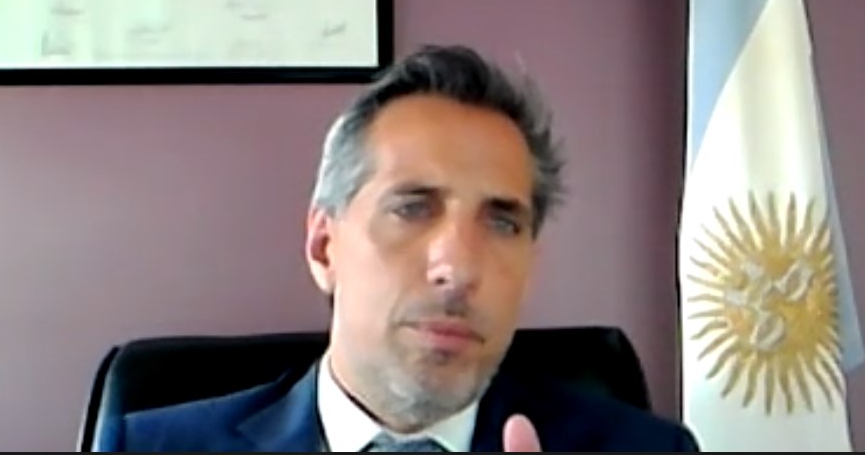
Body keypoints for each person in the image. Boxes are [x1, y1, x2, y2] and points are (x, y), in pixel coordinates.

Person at [111, 46, 701, 452]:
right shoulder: (150, 448)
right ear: (324, 247)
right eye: (413, 208)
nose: (458, 267)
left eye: (502, 223)